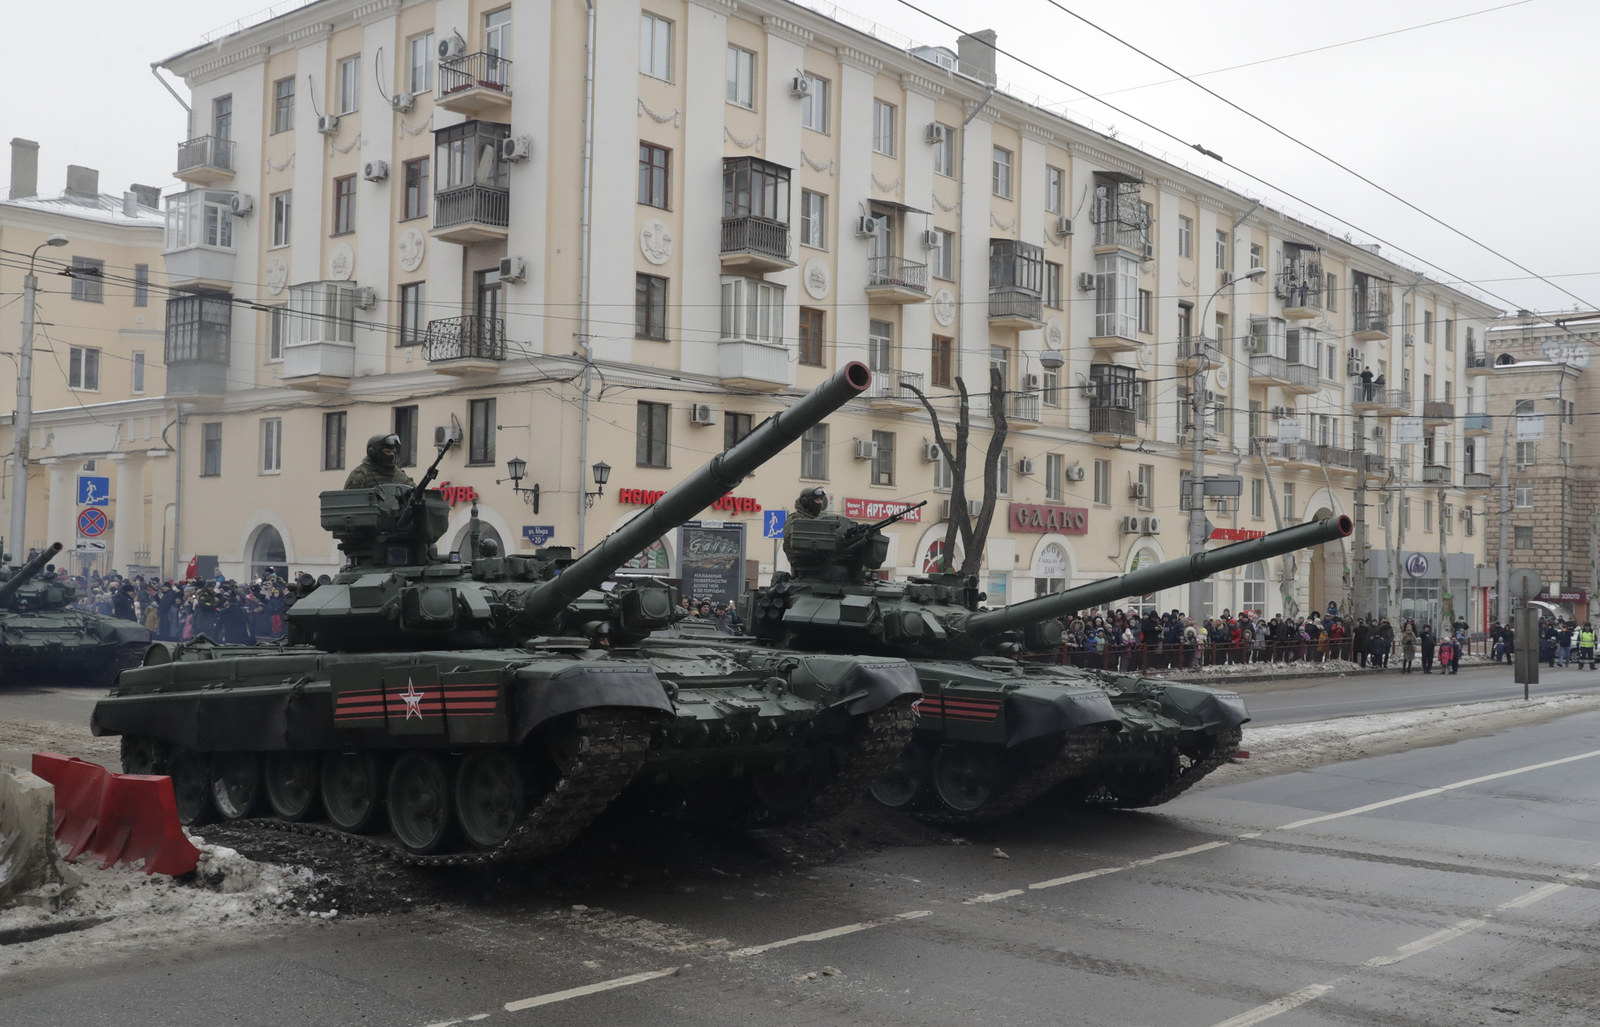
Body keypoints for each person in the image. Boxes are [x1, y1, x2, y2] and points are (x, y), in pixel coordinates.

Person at [344, 433, 414, 489]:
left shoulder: (399, 475)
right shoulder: (360, 475)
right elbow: (349, 502)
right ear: (373, 453)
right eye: (388, 452)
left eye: (393, 452)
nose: (392, 455)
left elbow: (414, 494)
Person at [782, 486, 829, 561]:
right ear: (805, 501)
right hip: (803, 566)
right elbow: (788, 545)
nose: (820, 502)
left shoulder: (824, 519)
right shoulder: (794, 520)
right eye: (817, 500)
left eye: (821, 500)